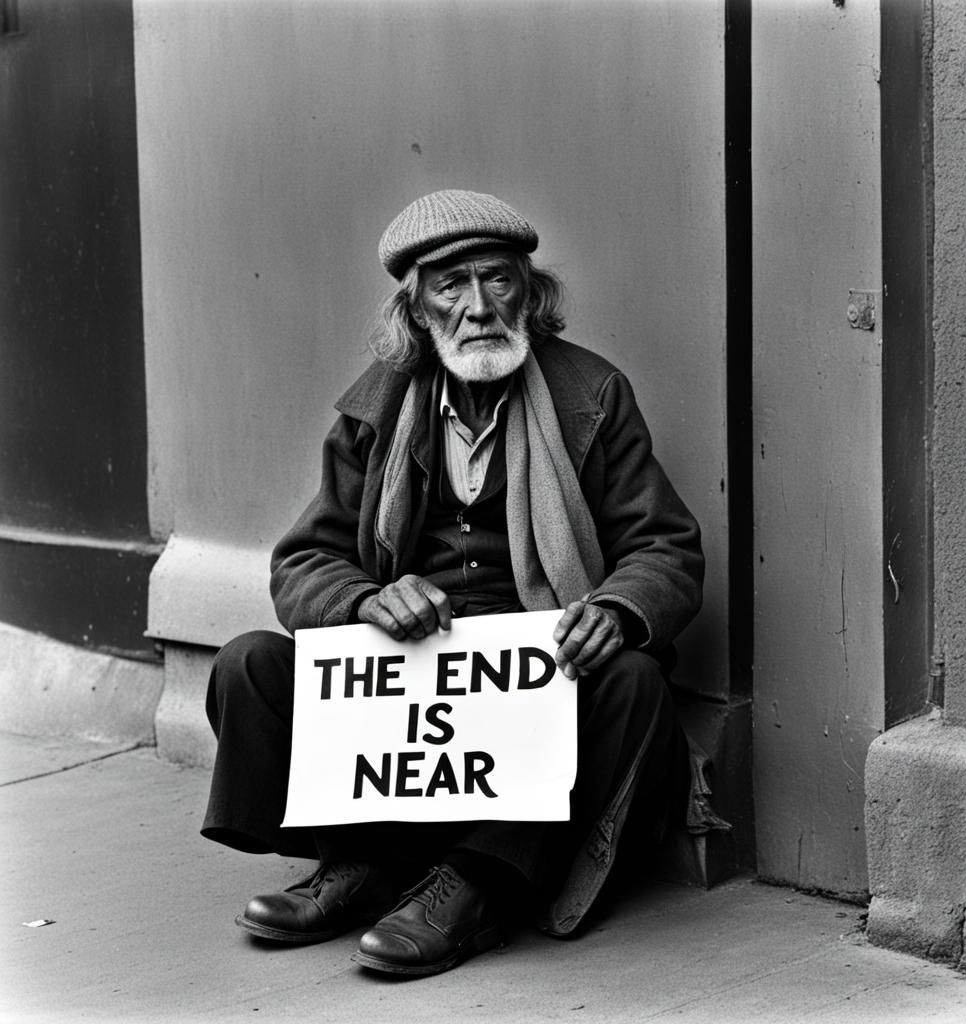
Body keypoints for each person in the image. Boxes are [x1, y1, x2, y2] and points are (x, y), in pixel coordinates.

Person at [202, 188, 704, 977]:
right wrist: (367, 599)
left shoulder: (591, 394)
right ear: (416, 309)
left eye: (498, 279)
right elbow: (302, 561)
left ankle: (474, 885)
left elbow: (665, 548)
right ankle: (361, 862)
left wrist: (614, 608)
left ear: (529, 294)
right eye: (450, 286)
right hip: (410, 678)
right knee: (250, 664)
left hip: (539, 683)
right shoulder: (375, 408)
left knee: (634, 681)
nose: (477, 307)